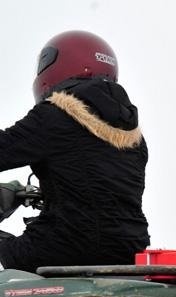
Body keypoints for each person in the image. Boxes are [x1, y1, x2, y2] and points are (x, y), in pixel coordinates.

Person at [0, 30, 149, 272]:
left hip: (61, 248)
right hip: (129, 251)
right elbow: (97, 185)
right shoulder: (135, 137)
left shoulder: (54, 116)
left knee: (9, 251)